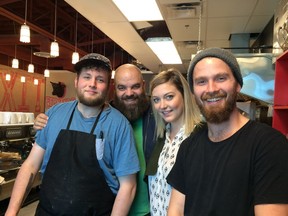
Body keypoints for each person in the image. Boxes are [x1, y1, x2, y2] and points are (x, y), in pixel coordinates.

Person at [5, 53, 140, 216]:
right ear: (76, 81)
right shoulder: (54, 114)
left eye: (100, 79)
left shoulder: (119, 125)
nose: (92, 84)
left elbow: (128, 186)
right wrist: (11, 212)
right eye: (87, 77)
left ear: (108, 86)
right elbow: (31, 166)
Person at [167, 47, 288, 215]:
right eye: (201, 81)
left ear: (238, 84)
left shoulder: (269, 145)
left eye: (221, 78)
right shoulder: (189, 147)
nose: (211, 89)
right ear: (193, 92)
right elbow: (176, 209)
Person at [33, 63, 156, 216]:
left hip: (146, 209)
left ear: (143, 86)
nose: (129, 93)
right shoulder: (108, 116)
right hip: (110, 208)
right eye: (122, 87)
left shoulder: (157, 118)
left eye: (135, 86)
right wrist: (41, 121)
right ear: (113, 88)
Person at [145, 69, 201, 215]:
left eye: (169, 97)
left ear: (184, 96)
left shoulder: (199, 137)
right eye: (156, 100)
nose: (162, 106)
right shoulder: (162, 139)